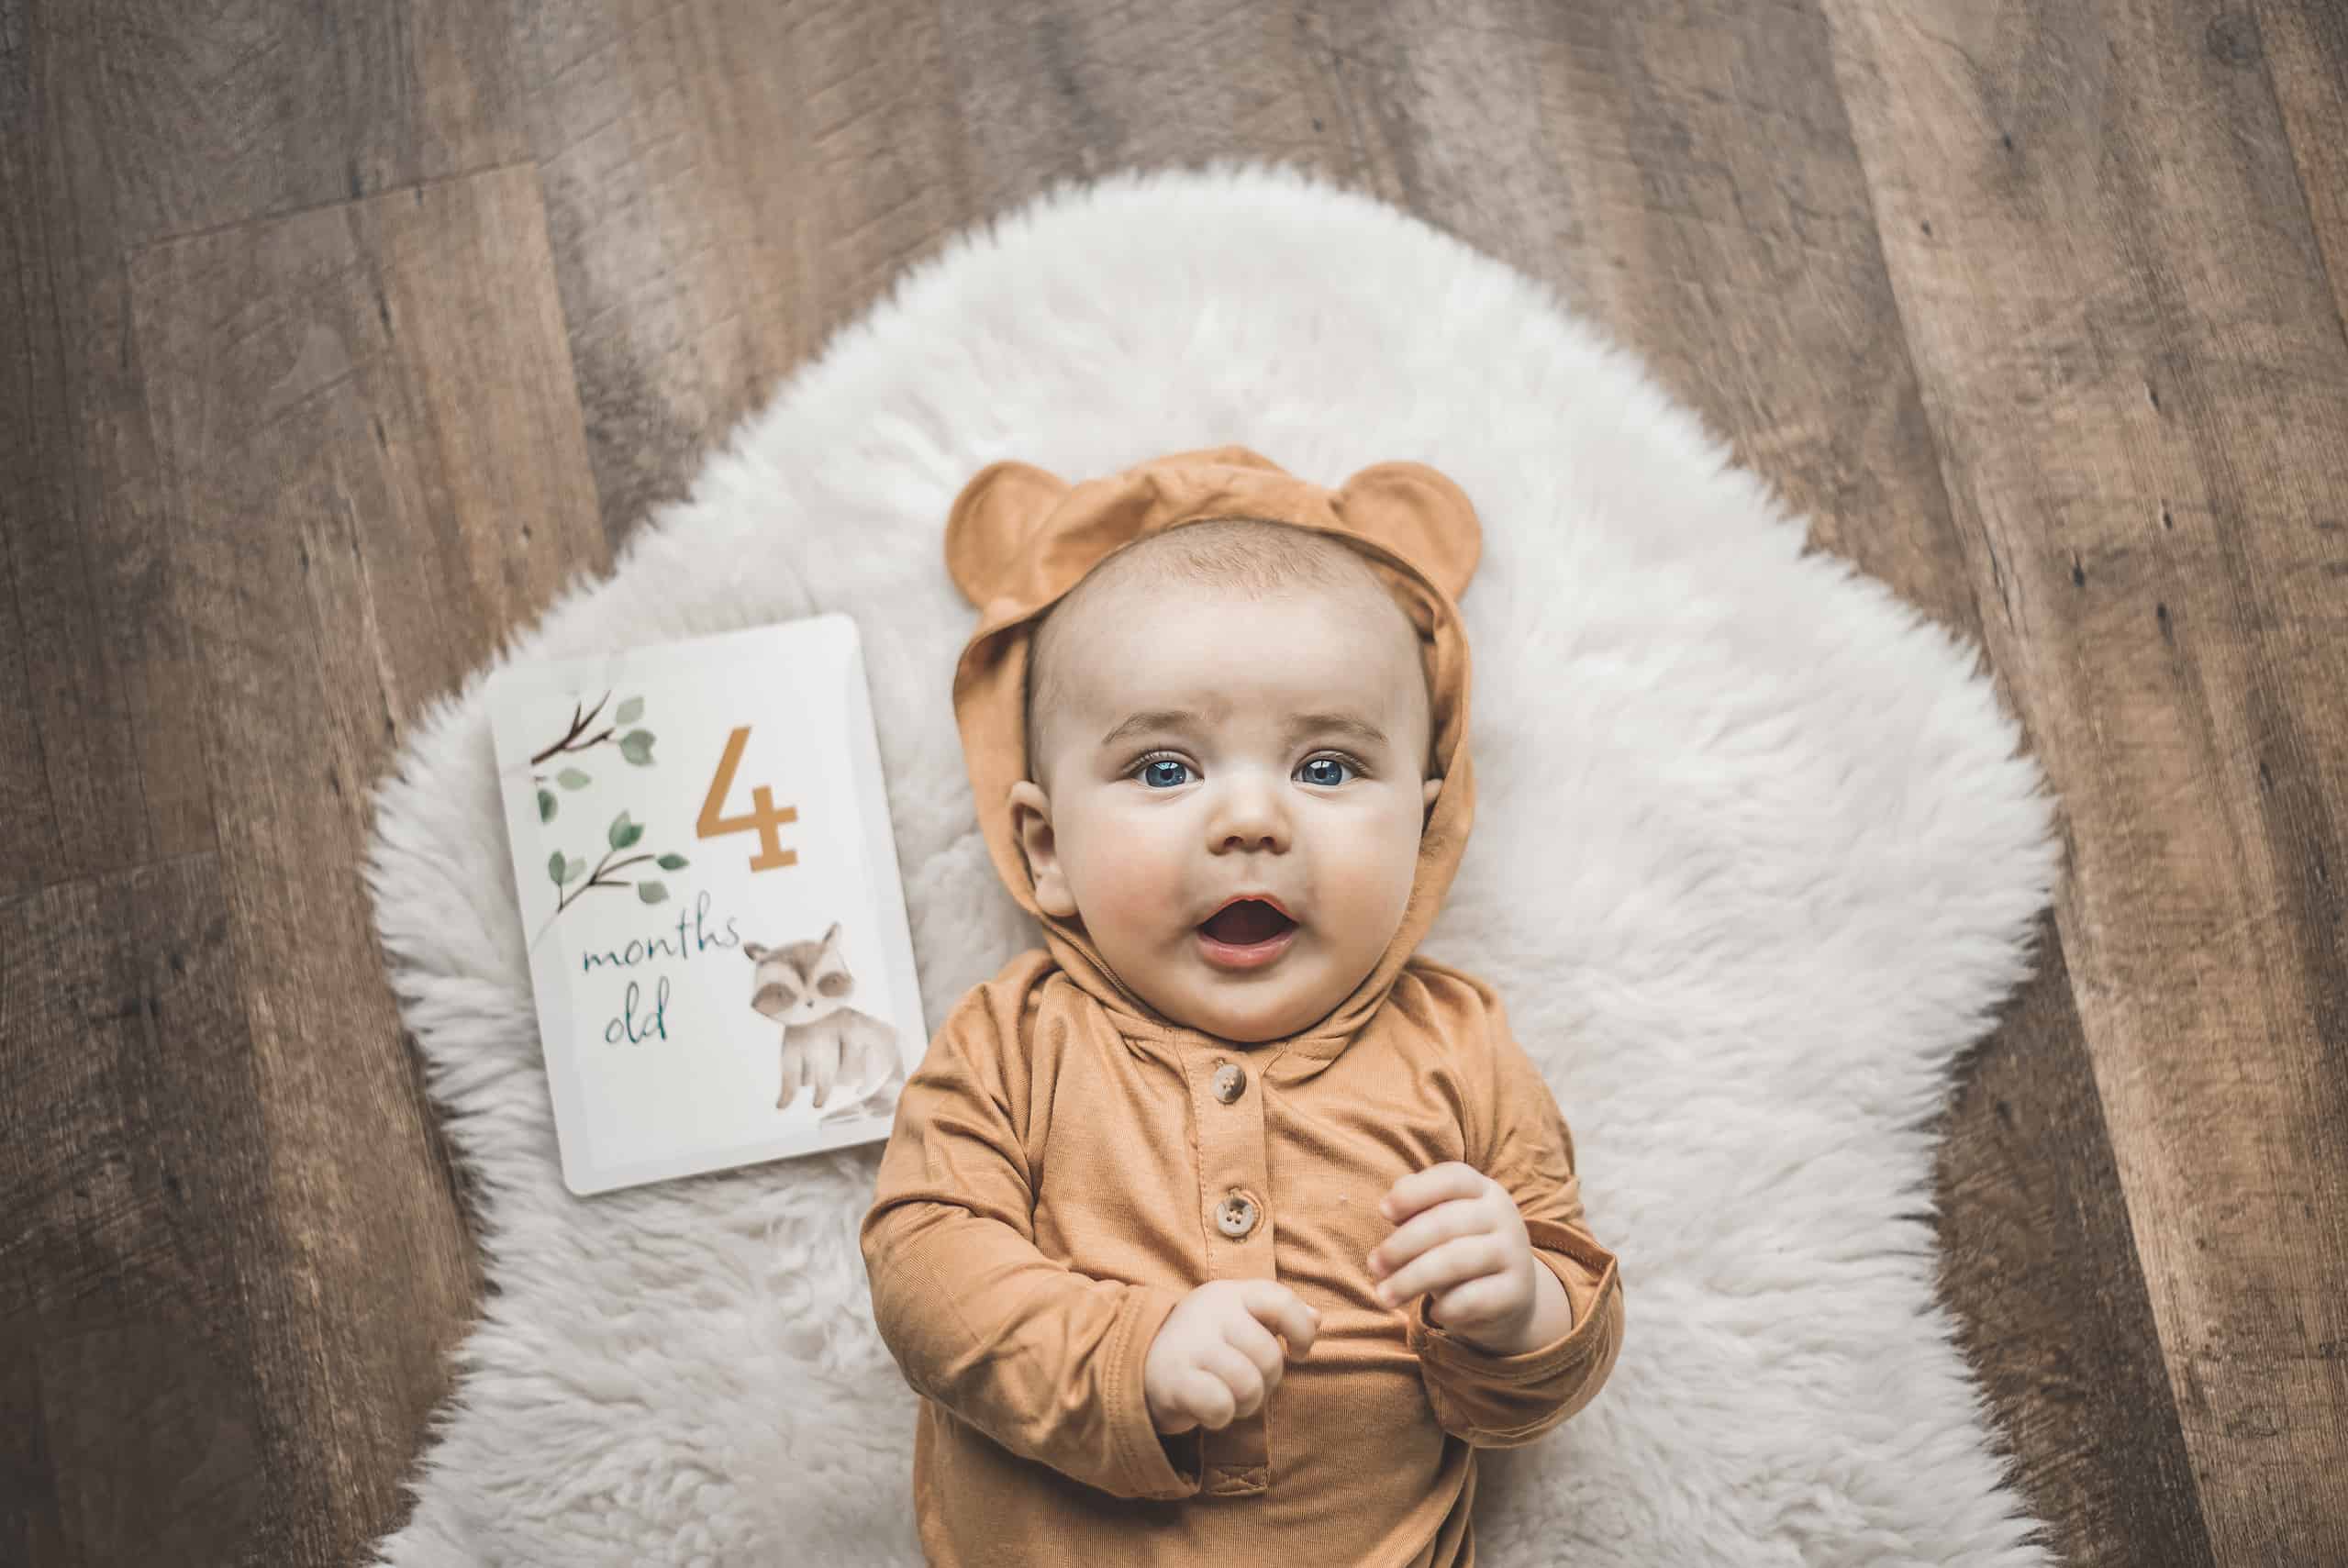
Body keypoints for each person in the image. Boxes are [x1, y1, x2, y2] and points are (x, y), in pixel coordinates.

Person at [859, 445, 1625, 1566]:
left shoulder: (1458, 1044)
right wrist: (1130, 1351)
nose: (1252, 819)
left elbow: (1550, 1339)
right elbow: (926, 1267)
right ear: (1046, 846)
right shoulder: (1013, 1042)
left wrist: (1526, 1312)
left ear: (1419, 832)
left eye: (1326, 767)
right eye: (1165, 768)